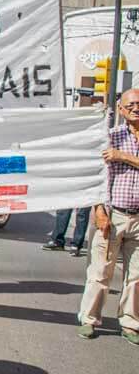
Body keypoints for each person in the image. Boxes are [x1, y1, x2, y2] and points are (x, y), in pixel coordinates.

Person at [77, 88, 139, 345]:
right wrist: (99, 210)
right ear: (122, 110)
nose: (136, 107)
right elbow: (96, 179)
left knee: (136, 276)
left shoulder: (119, 149)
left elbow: (120, 159)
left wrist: (123, 156)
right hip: (113, 216)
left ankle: (130, 322)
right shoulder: (110, 138)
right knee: (101, 270)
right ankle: (89, 320)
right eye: (131, 104)